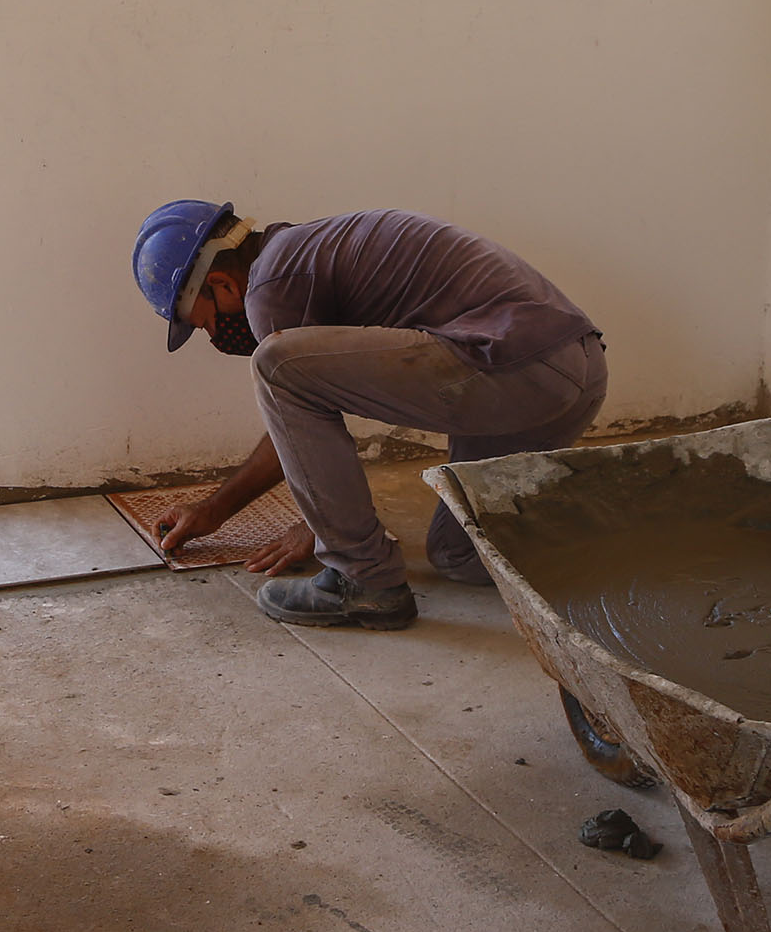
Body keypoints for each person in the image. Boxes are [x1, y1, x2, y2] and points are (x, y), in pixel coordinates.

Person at [129, 201, 606, 629]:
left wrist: (326, 534)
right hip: (572, 366)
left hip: (512, 368)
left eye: (206, 322)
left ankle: (362, 580)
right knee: (460, 555)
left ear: (221, 283)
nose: (217, 337)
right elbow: (309, 415)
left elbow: (292, 418)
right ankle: (619, 533)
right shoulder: (303, 251)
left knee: (276, 365)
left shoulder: (270, 285)